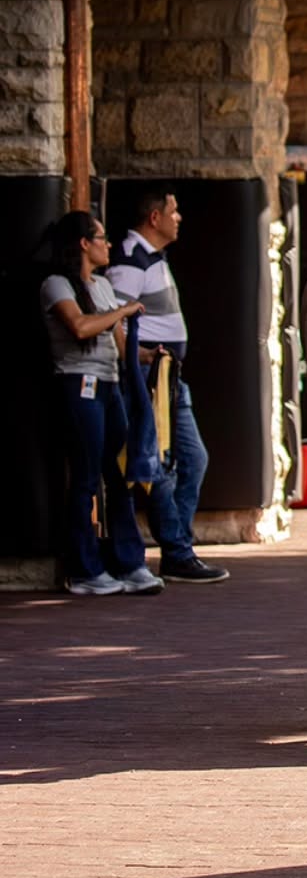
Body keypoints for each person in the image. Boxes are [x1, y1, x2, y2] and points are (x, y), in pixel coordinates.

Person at [40, 211, 164, 596]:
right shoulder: (56, 285)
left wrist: (149, 356)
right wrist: (122, 312)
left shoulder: (103, 286)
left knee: (120, 475)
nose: (107, 244)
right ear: (83, 243)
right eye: (101, 237)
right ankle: (84, 569)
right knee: (86, 475)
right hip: (79, 385)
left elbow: (119, 340)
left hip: (109, 386)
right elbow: (80, 327)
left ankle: (130, 562)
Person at [107, 189, 227, 583]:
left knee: (193, 459)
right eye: (174, 212)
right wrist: (136, 358)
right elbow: (115, 319)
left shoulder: (153, 257)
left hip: (169, 378)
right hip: (147, 380)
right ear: (155, 217)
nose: (180, 218)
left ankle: (177, 547)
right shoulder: (130, 258)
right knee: (155, 465)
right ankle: (177, 551)